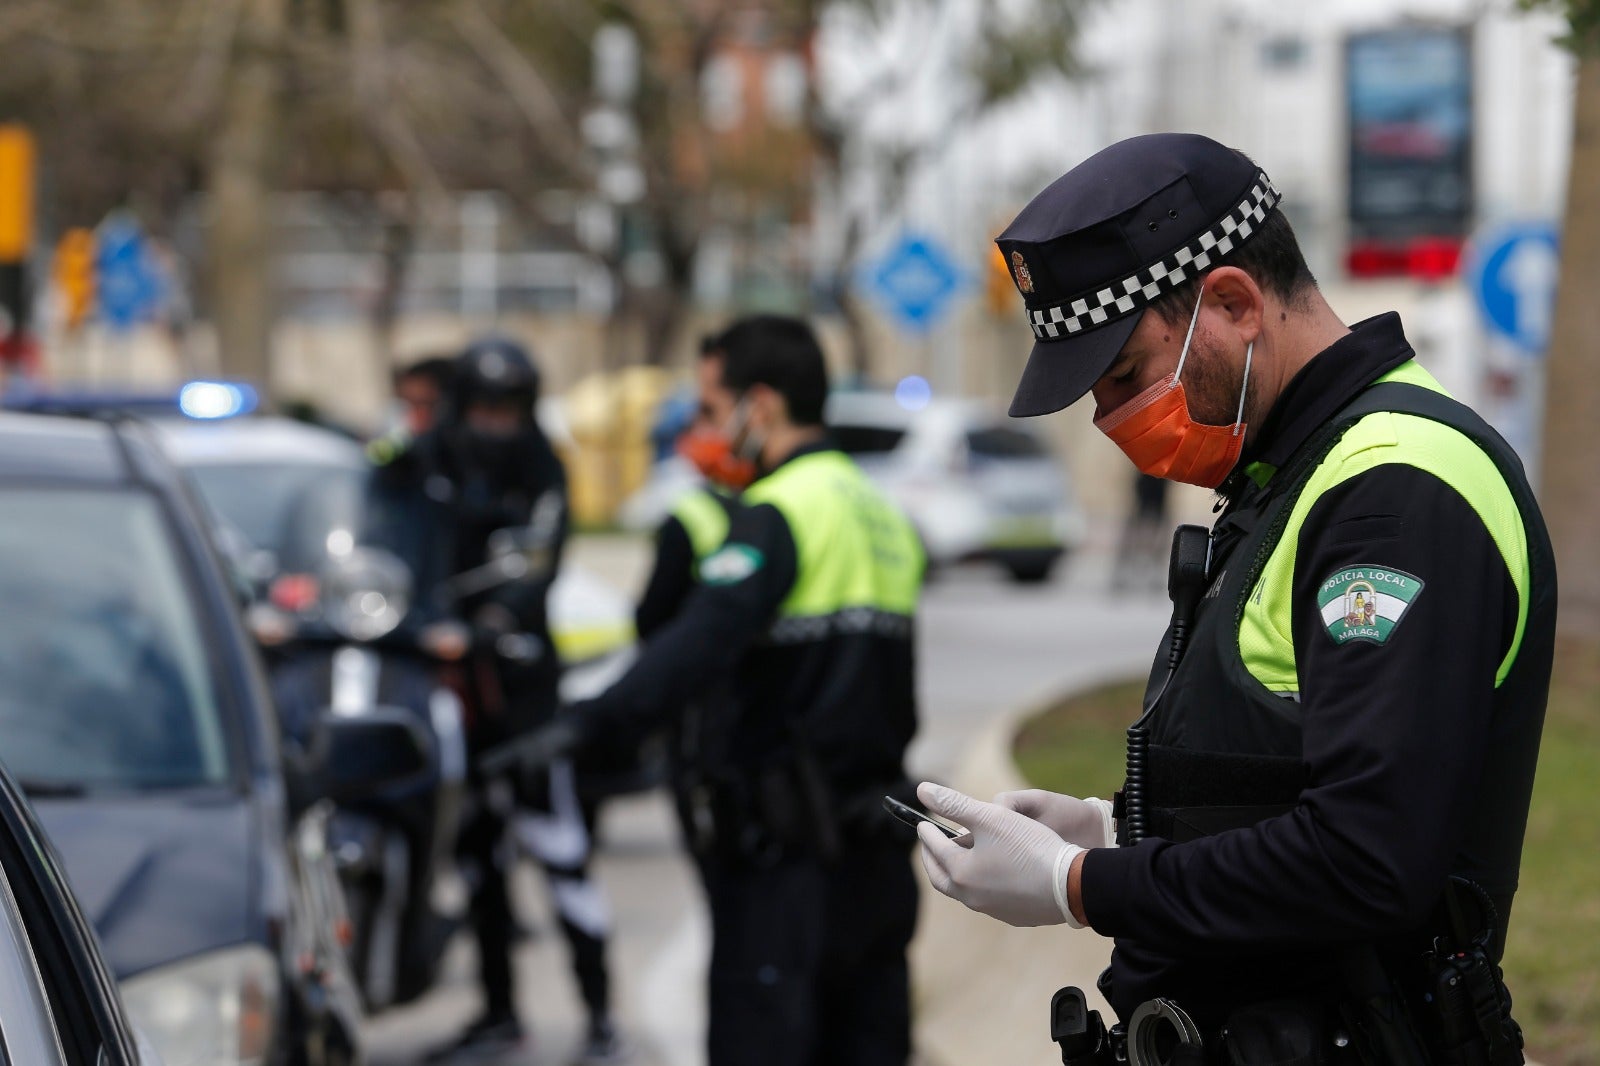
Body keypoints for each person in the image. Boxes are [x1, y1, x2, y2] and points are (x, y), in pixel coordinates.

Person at [914, 133, 1555, 1064]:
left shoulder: (1395, 491)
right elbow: (1288, 764)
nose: (1110, 422)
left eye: (1125, 376)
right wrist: (1119, 825)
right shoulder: (1297, 468)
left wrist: (1082, 884)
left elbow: (1366, 856)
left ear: (1232, 302)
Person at [491, 314, 926, 1066]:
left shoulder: (779, 512)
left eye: (713, 408)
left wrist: (582, 726)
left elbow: (695, 645)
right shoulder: (879, 510)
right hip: (874, 848)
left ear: (761, 406)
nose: (713, 431)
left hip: (787, 856)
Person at [366, 336, 626, 1063]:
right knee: (477, 862)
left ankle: (602, 1016)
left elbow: (538, 561)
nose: (494, 422)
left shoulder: (542, 468)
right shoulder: (421, 464)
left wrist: (494, 621)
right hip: (448, 695)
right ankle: (499, 1013)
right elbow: (379, 532)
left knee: (561, 853)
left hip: (524, 698)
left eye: (509, 408)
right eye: (481, 406)